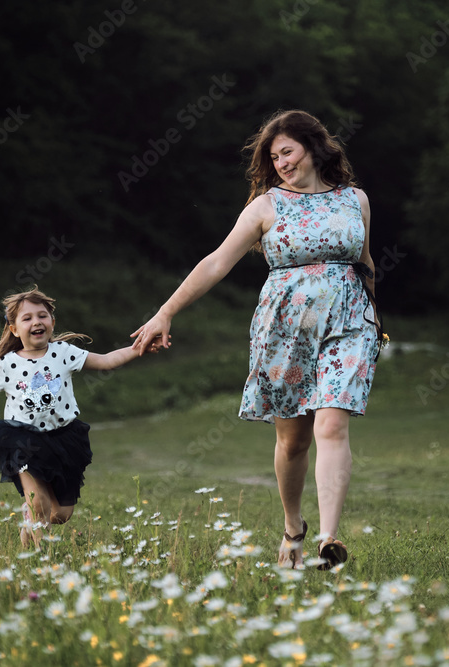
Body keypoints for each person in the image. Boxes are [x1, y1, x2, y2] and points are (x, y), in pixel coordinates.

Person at [131, 109, 384, 570]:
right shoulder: (266, 206)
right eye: (275, 157)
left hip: (350, 324)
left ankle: (330, 540)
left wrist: (373, 315)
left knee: (332, 423)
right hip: (284, 330)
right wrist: (165, 312)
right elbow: (214, 264)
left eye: (288, 151)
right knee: (294, 442)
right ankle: (293, 529)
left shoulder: (356, 200)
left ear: (313, 146)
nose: (282, 162)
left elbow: (365, 262)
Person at [0, 286, 165, 547]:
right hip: (22, 441)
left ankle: (29, 521)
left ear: (52, 322)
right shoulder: (7, 364)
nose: (36, 321)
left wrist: (140, 348)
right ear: (13, 329)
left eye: (42, 316)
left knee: (61, 514)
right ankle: (36, 558)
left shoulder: (64, 353)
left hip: (63, 440)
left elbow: (106, 360)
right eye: (27, 318)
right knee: (38, 502)